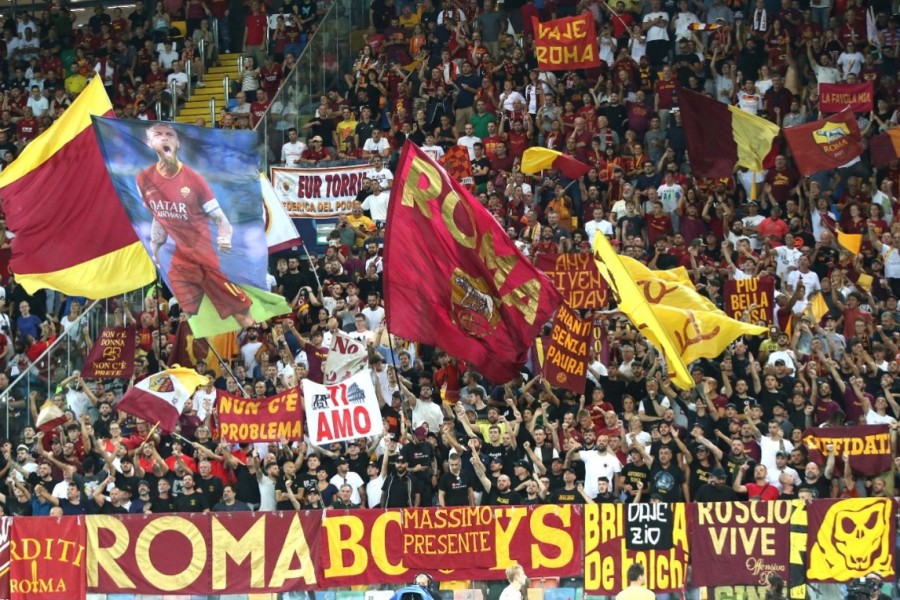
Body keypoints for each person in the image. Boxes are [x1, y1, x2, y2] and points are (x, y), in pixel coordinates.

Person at [136, 123, 255, 328]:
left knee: (243, 316)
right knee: (188, 321)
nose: (164, 138)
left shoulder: (194, 179)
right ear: (149, 143)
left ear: (177, 142)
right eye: (158, 134)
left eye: (169, 135)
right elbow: (159, 216)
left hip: (204, 257)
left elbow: (221, 219)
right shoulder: (143, 179)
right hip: (179, 261)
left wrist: (224, 238)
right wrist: (155, 249)